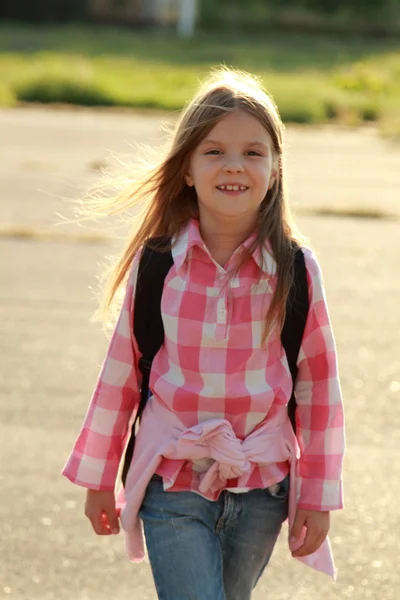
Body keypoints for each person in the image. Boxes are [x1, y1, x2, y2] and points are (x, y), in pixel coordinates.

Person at [62, 67, 345, 600]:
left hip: (262, 486)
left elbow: (319, 389)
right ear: (187, 169)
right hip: (172, 479)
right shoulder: (159, 265)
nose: (234, 165)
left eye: (253, 153)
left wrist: (318, 495)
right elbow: (122, 372)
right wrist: (100, 475)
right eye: (214, 152)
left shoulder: (296, 269)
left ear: (276, 168)